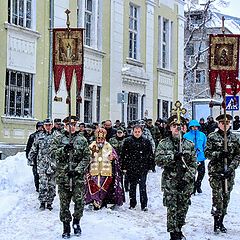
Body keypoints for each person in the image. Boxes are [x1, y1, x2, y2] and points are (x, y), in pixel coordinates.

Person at [155, 115, 197, 240]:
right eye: (174, 126)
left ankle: (179, 228)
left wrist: (186, 178)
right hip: (170, 181)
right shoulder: (163, 144)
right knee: (172, 208)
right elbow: (158, 161)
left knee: (183, 207)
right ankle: (173, 233)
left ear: (184, 128)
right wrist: (173, 157)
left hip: (185, 182)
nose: (177, 129)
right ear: (170, 128)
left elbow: (193, 164)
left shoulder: (189, 145)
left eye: (180, 126)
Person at [50, 116, 91, 238]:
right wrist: (64, 150)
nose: (72, 127)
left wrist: (78, 170)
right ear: (65, 125)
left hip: (77, 177)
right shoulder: (58, 138)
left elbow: (87, 157)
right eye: (69, 125)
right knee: (64, 203)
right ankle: (66, 227)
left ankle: (77, 222)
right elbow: (52, 153)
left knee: (79, 202)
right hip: (63, 176)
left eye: (74, 124)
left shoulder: (82, 139)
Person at [205, 113, 240, 233]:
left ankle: (222, 221)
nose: (225, 125)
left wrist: (231, 168)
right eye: (222, 123)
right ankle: (216, 221)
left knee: (226, 198)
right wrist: (219, 154)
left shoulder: (235, 138)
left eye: (227, 123)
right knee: (217, 198)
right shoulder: (212, 137)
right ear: (218, 124)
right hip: (216, 172)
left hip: (228, 172)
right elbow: (207, 153)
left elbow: (238, 155)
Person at [85, 128, 124, 210]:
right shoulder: (91, 146)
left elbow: (115, 156)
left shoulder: (108, 146)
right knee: (94, 187)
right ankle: (94, 201)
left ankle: (102, 202)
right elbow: (85, 157)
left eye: (102, 138)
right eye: (98, 138)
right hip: (94, 171)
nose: (100, 140)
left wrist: (113, 157)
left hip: (106, 172)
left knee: (103, 188)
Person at [122, 124, 155, 211]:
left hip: (142, 167)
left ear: (141, 132)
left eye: (138, 132)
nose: (137, 133)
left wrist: (151, 165)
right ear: (133, 132)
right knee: (132, 187)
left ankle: (144, 205)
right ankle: (132, 203)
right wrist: (124, 166)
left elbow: (150, 154)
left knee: (142, 187)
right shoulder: (128, 141)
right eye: (135, 132)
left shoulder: (146, 142)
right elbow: (124, 155)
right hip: (131, 167)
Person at [28, 119, 56, 211]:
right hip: (42, 164)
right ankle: (42, 202)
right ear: (43, 126)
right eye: (46, 125)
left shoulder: (57, 136)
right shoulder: (39, 136)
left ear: (52, 125)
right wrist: (30, 159)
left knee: (51, 185)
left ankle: (50, 203)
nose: (48, 127)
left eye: (49, 125)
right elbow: (33, 149)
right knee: (43, 184)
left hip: (53, 164)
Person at [184, 119, 207, 194]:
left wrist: (204, 153)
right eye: (193, 126)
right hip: (190, 158)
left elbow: (205, 145)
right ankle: (193, 186)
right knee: (191, 173)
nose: (194, 128)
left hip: (200, 157)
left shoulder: (202, 135)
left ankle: (198, 184)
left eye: (196, 126)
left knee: (201, 173)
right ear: (190, 127)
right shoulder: (186, 135)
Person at [26, 121, 44, 192]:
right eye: (39, 127)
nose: (41, 128)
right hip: (35, 158)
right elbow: (28, 147)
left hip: (43, 158)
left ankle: (42, 186)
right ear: (37, 128)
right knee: (36, 173)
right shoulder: (32, 136)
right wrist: (29, 157)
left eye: (42, 127)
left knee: (43, 173)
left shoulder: (45, 135)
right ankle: (37, 187)